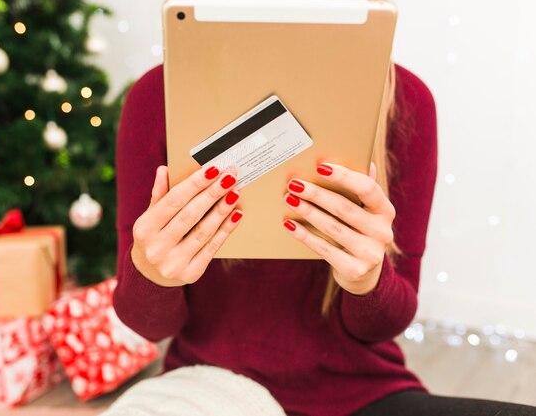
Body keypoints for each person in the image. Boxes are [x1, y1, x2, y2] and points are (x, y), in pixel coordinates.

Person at [110, 63, 536, 416]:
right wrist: (151, 273)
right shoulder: (157, 95)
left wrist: (367, 278)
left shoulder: (407, 101)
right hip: (211, 388)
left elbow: (388, 322)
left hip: (361, 395)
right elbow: (149, 325)